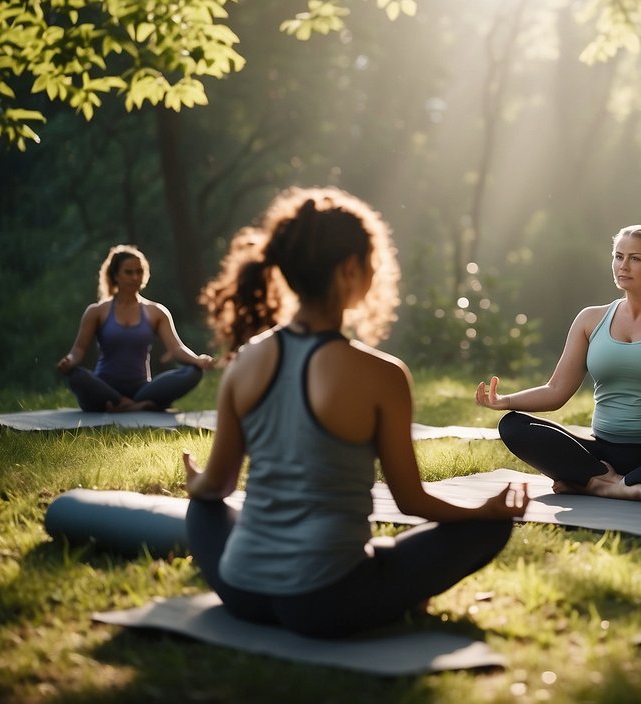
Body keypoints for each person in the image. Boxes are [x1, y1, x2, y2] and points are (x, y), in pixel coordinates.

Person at [183, 186, 529, 638]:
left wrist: (198, 484)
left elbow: (219, 484)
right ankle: (384, 585)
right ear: (350, 269)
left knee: (204, 508)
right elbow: (412, 501)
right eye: (372, 263)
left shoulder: (245, 360)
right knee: (489, 529)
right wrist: (481, 511)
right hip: (325, 602)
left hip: (241, 590)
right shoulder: (380, 374)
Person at [476, 224, 641, 502]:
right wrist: (505, 401)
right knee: (512, 426)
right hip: (602, 454)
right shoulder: (590, 319)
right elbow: (556, 389)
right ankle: (627, 484)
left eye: (635, 258)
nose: (623, 266)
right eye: (618, 256)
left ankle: (593, 484)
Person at [56, 245, 213, 412]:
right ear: (115, 275)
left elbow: (176, 348)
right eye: (128, 272)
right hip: (104, 387)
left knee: (194, 372)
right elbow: (78, 349)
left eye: (139, 272)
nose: (135, 277)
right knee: (74, 375)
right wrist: (69, 361)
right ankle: (135, 405)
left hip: (142, 388)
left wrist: (198, 360)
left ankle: (123, 405)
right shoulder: (96, 311)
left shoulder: (156, 312)